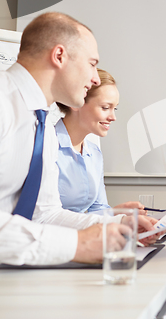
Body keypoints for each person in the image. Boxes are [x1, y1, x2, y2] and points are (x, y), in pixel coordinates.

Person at [0, 12, 157, 266]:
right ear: (59, 56)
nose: (95, 78)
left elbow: (44, 214)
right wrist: (76, 245)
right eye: (92, 63)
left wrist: (117, 224)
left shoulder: (43, 128)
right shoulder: (2, 103)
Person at [55, 68, 144, 214]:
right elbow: (42, 215)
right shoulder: (46, 146)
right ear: (76, 102)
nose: (113, 117)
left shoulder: (94, 153)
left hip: (85, 234)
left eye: (115, 108)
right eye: (105, 107)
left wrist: (119, 213)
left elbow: (98, 209)